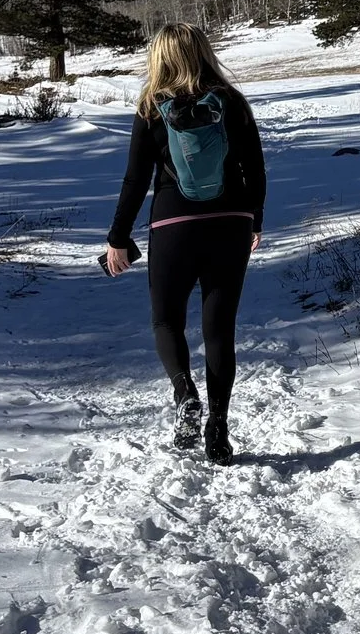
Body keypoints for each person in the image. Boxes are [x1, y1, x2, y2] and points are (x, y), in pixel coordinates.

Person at [103, 24, 267, 463]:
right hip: (230, 221)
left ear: (160, 57)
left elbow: (136, 180)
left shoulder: (152, 108)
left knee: (166, 322)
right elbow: (255, 168)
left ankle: (184, 395)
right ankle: (218, 426)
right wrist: (254, 219)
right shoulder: (231, 102)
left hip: (174, 224)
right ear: (203, 51)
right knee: (219, 328)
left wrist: (118, 238)